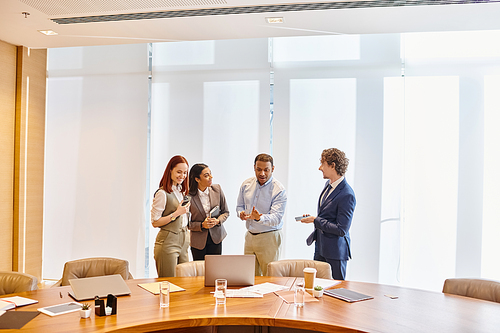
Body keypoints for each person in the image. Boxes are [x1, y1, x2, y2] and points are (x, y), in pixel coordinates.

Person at [300, 148, 356, 280]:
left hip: (335, 253)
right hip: (320, 247)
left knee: (335, 292)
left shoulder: (347, 194)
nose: (320, 168)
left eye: (322, 164)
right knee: (316, 288)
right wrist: (314, 219)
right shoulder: (328, 184)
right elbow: (326, 214)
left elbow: (342, 229)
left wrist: (316, 220)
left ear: (332, 165)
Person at [236, 153, 287, 276]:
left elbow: (277, 218)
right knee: (249, 276)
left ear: (272, 169)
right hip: (250, 237)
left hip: (269, 237)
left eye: (266, 170)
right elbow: (239, 206)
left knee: (270, 277)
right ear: (254, 167)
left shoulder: (278, 189)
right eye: (259, 169)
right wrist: (241, 214)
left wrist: (259, 218)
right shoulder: (246, 184)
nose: (262, 173)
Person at [151, 155, 191, 277]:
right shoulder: (162, 193)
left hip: (184, 241)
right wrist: (176, 213)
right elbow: (155, 222)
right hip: (168, 242)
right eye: (179, 172)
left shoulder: (181, 192)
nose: (182, 176)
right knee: (169, 284)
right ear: (170, 170)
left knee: (184, 283)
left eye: (185, 173)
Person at [188, 163, 230, 260]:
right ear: (197, 179)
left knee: (215, 270)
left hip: (216, 238)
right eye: (206, 175)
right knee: (200, 271)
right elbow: (185, 223)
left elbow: (225, 212)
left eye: (210, 174)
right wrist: (202, 225)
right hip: (198, 241)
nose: (211, 177)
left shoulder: (217, 189)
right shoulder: (188, 196)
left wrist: (218, 221)